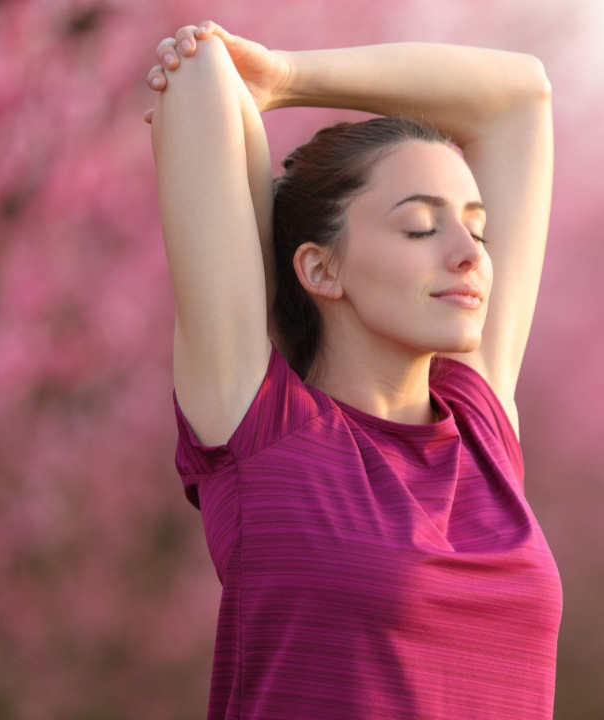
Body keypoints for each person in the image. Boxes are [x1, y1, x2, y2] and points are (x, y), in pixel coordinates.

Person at [144, 21, 560, 719]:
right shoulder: (264, 433)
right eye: (421, 226)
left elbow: (521, 96)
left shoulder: (482, 435)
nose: (469, 253)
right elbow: (199, 78)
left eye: (478, 228)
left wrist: (286, 75)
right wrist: (228, 71)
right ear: (320, 269)